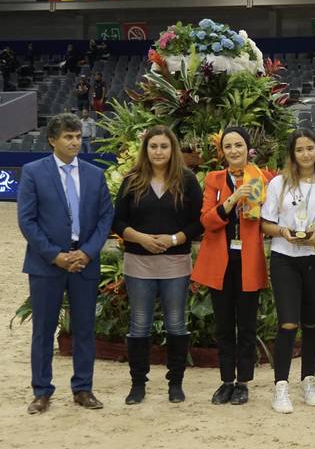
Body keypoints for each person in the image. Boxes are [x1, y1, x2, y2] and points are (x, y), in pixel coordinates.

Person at [17, 113, 114, 414]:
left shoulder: (95, 174)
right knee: (43, 330)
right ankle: (42, 391)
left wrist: (87, 252)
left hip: (85, 262)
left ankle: (83, 389)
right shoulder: (33, 172)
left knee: (85, 328)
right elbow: (27, 221)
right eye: (68, 137)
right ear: (52, 140)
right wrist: (55, 256)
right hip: (47, 264)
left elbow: (105, 217)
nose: (75, 142)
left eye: (78, 136)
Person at [112, 126, 203, 405]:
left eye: (164, 146)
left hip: (175, 262)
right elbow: (118, 222)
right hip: (138, 262)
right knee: (140, 324)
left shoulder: (187, 181)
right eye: (154, 147)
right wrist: (140, 239)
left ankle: (175, 383)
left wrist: (174, 239)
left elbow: (198, 222)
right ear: (146, 150)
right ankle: (138, 384)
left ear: (172, 149)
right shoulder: (132, 180)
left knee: (176, 322)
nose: (159, 152)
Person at [192, 127, 270, 406]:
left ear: (247, 148)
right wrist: (233, 199)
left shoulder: (262, 177)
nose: (234, 150)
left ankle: (243, 382)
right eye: (228, 146)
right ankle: (226, 380)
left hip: (248, 260)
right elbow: (207, 221)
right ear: (222, 151)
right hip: (220, 262)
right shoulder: (214, 179)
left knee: (247, 325)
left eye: (238, 145)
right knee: (224, 326)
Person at [260, 129, 315, 414]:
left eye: (310, 148)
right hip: (285, 257)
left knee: (312, 322)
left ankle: (309, 381)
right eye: (299, 149)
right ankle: (281, 386)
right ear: (292, 153)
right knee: (288, 322)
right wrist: (283, 231)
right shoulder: (279, 184)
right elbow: (265, 225)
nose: (305, 154)